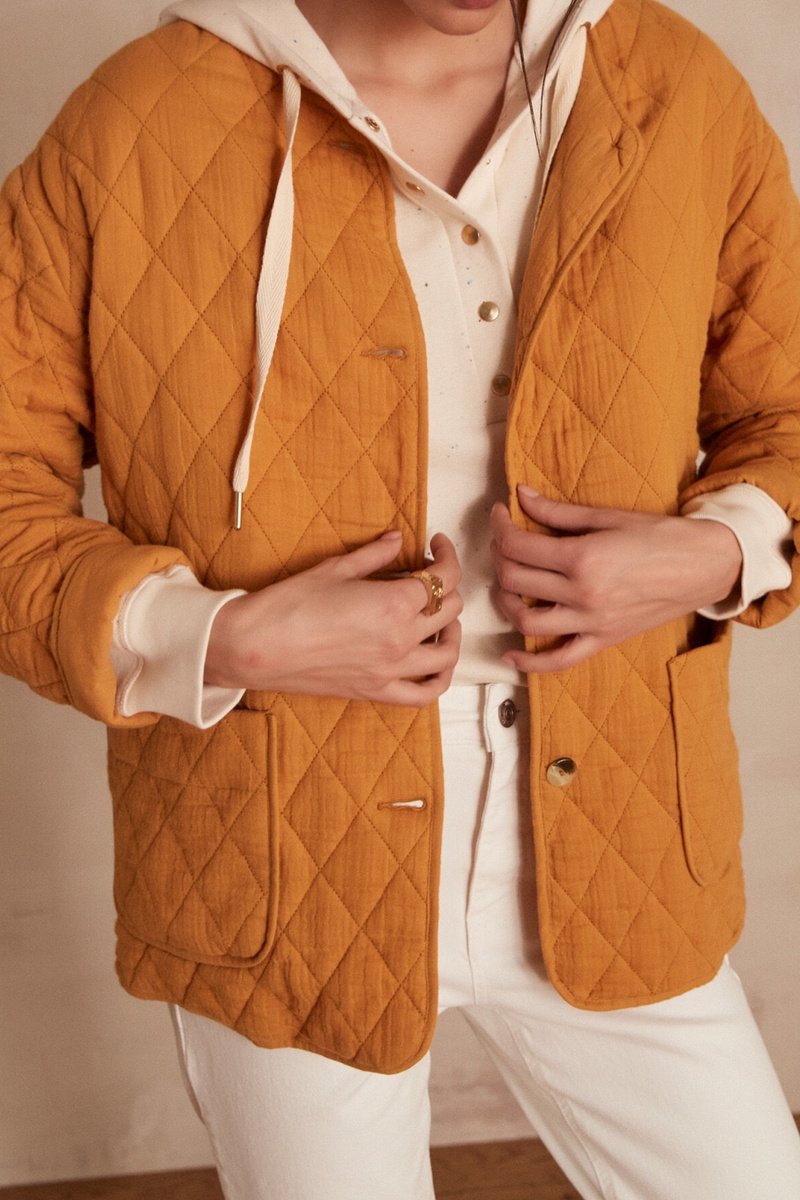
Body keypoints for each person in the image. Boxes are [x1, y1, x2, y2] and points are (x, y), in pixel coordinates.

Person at [1, 0, 800, 1196]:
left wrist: (712, 553)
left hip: (617, 821)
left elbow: (782, 415)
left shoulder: (673, 89)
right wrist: (221, 637)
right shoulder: (133, 120)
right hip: (278, 844)